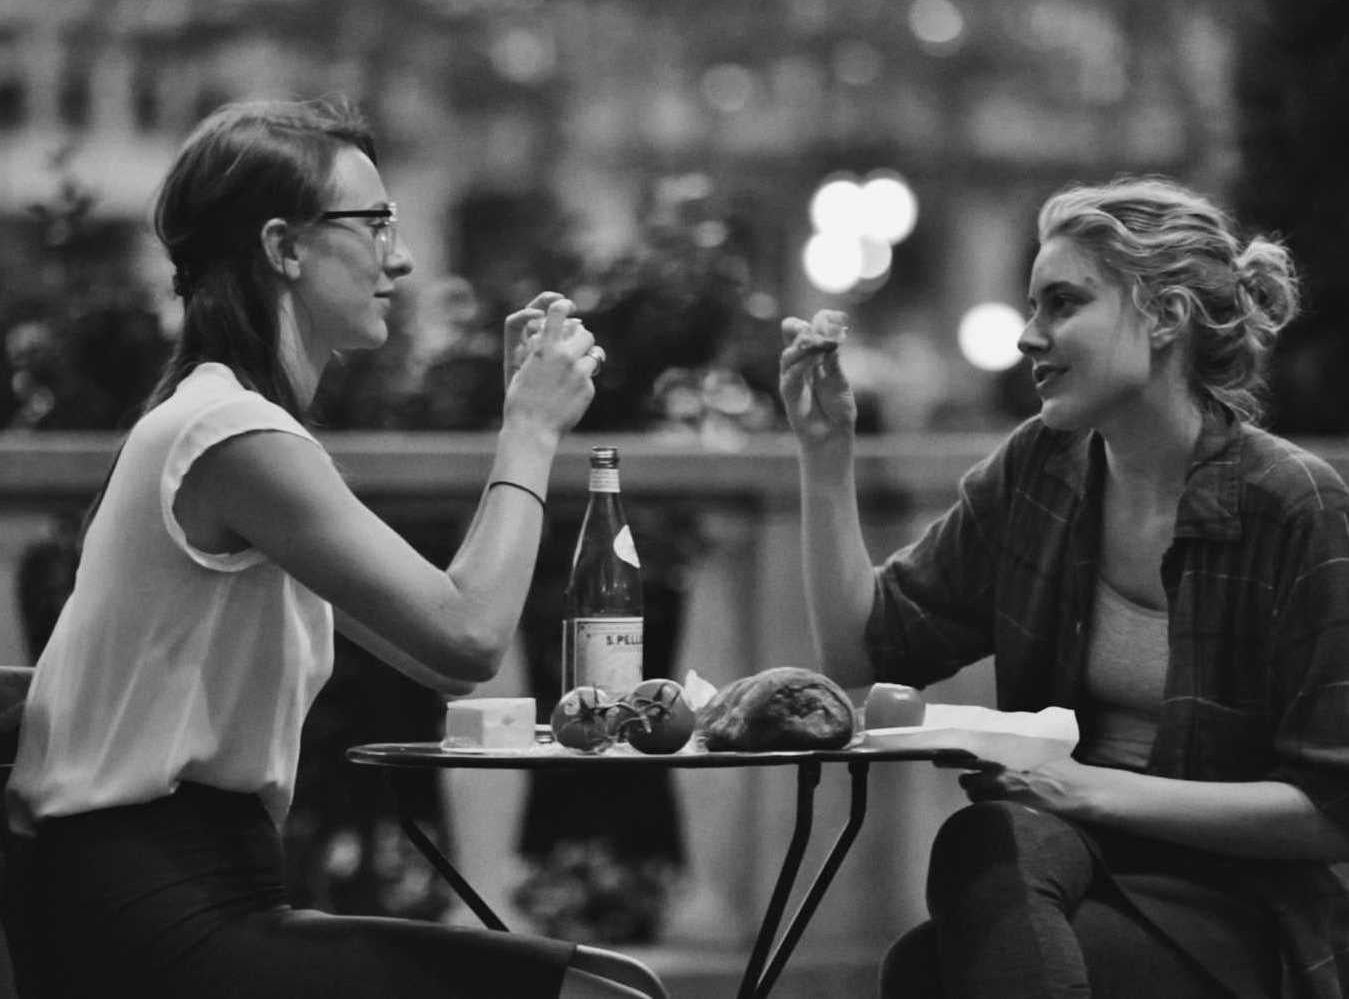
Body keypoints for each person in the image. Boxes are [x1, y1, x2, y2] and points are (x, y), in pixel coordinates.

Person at [4, 97, 664, 999]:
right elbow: (468, 635)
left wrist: (522, 424)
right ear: (284, 248)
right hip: (156, 914)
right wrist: (530, 430)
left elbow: (449, 666)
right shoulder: (228, 432)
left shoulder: (223, 420)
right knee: (604, 996)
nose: (400, 254)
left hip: (181, 893)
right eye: (374, 222)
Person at [779, 175, 1349, 998]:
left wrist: (1087, 790)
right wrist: (824, 455)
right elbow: (864, 648)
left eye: (1060, 304)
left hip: (1245, 907)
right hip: (1072, 866)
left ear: (1164, 317)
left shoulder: (1292, 505)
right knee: (984, 851)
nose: (1026, 336)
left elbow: (1332, 811)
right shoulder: (1039, 473)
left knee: (927, 968)